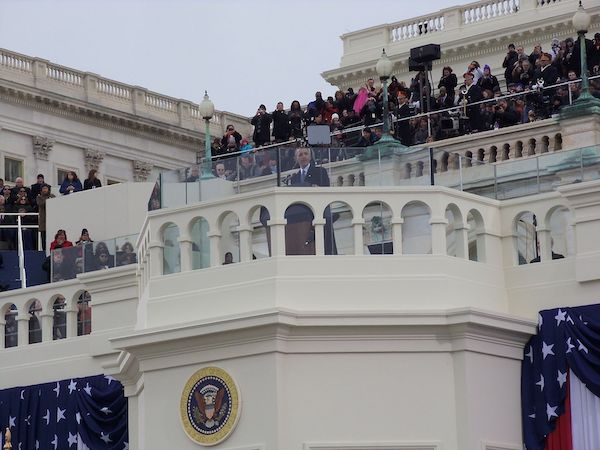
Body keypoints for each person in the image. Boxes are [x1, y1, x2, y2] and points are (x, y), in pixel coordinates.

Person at [285, 148, 335, 255]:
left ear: (310, 156)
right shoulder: (295, 178)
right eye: (300, 155)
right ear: (296, 159)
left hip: (319, 212)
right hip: (303, 217)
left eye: (306, 154)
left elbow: (326, 189)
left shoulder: (320, 171)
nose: (303, 156)